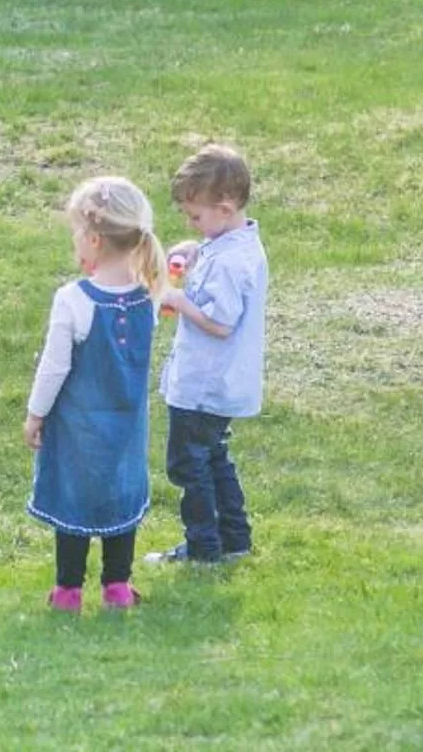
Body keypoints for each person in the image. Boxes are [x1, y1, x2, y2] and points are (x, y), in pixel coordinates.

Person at [25, 176, 165, 612]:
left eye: (75, 235)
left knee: (74, 499)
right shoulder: (151, 296)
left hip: (79, 429)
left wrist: (35, 414)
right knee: (120, 496)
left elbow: (54, 367)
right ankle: (117, 587)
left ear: (94, 239)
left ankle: (68, 590)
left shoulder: (73, 300)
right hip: (126, 429)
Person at [148, 143, 269, 566]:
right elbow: (213, 255)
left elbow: (220, 323)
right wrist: (193, 250)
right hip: (221, 384)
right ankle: (235, 540)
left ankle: (203, 548)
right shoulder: (236, 244)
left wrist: (176, 300)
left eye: (196, 216)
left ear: (226, 206)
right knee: (215, 457)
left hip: (204, 384)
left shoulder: (230, 262)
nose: (190, 221)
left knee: (188, 465)